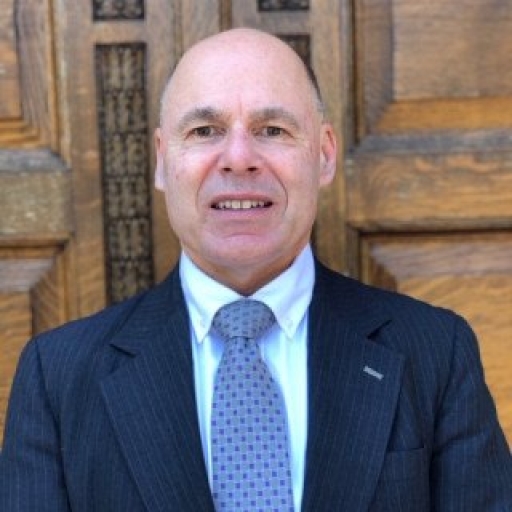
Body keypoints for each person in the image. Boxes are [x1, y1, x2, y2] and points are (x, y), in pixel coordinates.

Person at [1, 28, 511, 512]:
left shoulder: (435, 353)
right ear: (160, 160)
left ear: (324, 154)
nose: (239, 158)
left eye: (272, 130)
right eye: (205, 131)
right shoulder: (58, 378)